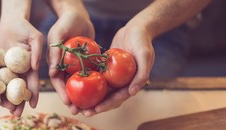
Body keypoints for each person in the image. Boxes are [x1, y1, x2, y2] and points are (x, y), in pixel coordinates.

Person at [43, 0, 212, 117]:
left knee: (155, 106)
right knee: (43, 90)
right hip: (76, 13)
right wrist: (69, 9)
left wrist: (145, 26)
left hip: (163, 19)